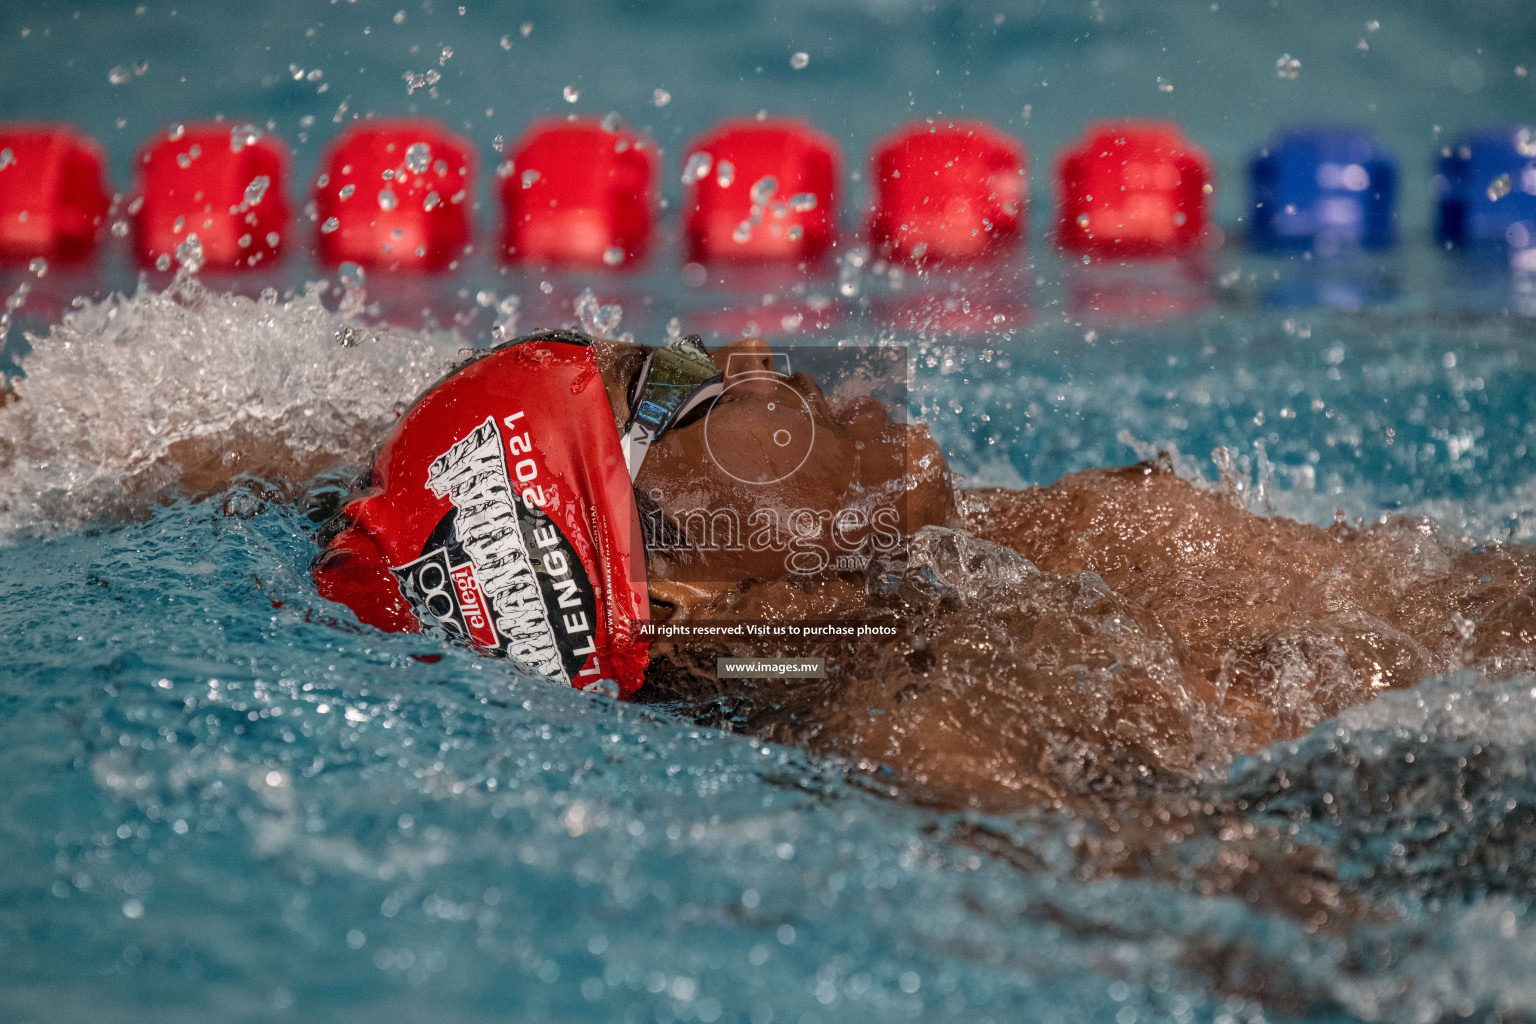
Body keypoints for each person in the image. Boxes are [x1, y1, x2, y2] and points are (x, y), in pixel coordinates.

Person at [10, 326, 1535, 813]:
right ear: (671, 596)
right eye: (678, 387)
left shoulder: (991, 558)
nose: (749, 353)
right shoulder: (962, 751)